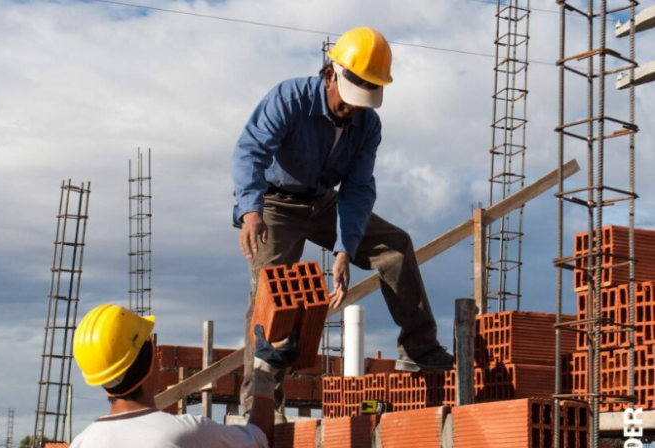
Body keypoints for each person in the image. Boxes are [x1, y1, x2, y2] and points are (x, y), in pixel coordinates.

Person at [232, 26, 454, 417]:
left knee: (395, 247)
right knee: (272, 294)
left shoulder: (367, 125)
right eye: (351, 98)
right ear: (331, 74)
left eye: (365, 99)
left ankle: (420, 348)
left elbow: (358, 190)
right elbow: (250, 152)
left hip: (324, 202)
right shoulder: (289, 98)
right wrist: (251, 211)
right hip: (276, 205)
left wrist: (343, 249)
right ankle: (261, 404)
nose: (354, 108)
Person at [69, 304, 299, 448]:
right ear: (150, 362)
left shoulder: (82, 442)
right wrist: (264, 373)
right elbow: (258, 438)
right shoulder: (183, 434)